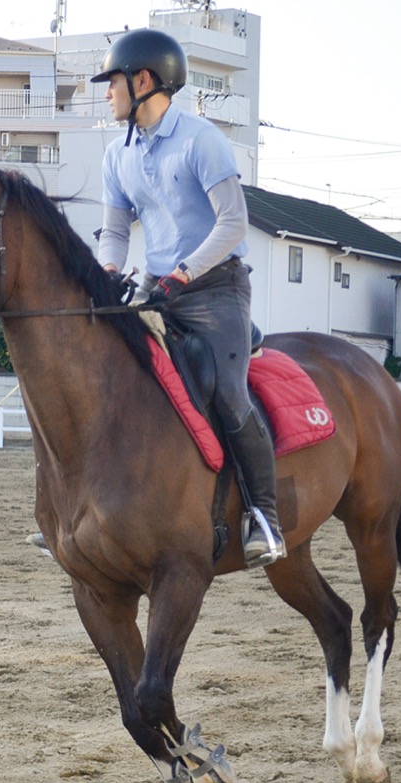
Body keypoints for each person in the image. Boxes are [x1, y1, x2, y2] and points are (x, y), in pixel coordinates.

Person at [92, 28, 286, 568]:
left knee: (226, 392)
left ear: (144, 80)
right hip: (159, 291)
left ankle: (266, 520)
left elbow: (233, 222)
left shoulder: (202, 140)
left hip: (215, 288)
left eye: (112, 82)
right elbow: (115, 231)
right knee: (110, 380)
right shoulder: (115, 156)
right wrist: (109, 269)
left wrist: (184, 270)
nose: (107, 93)